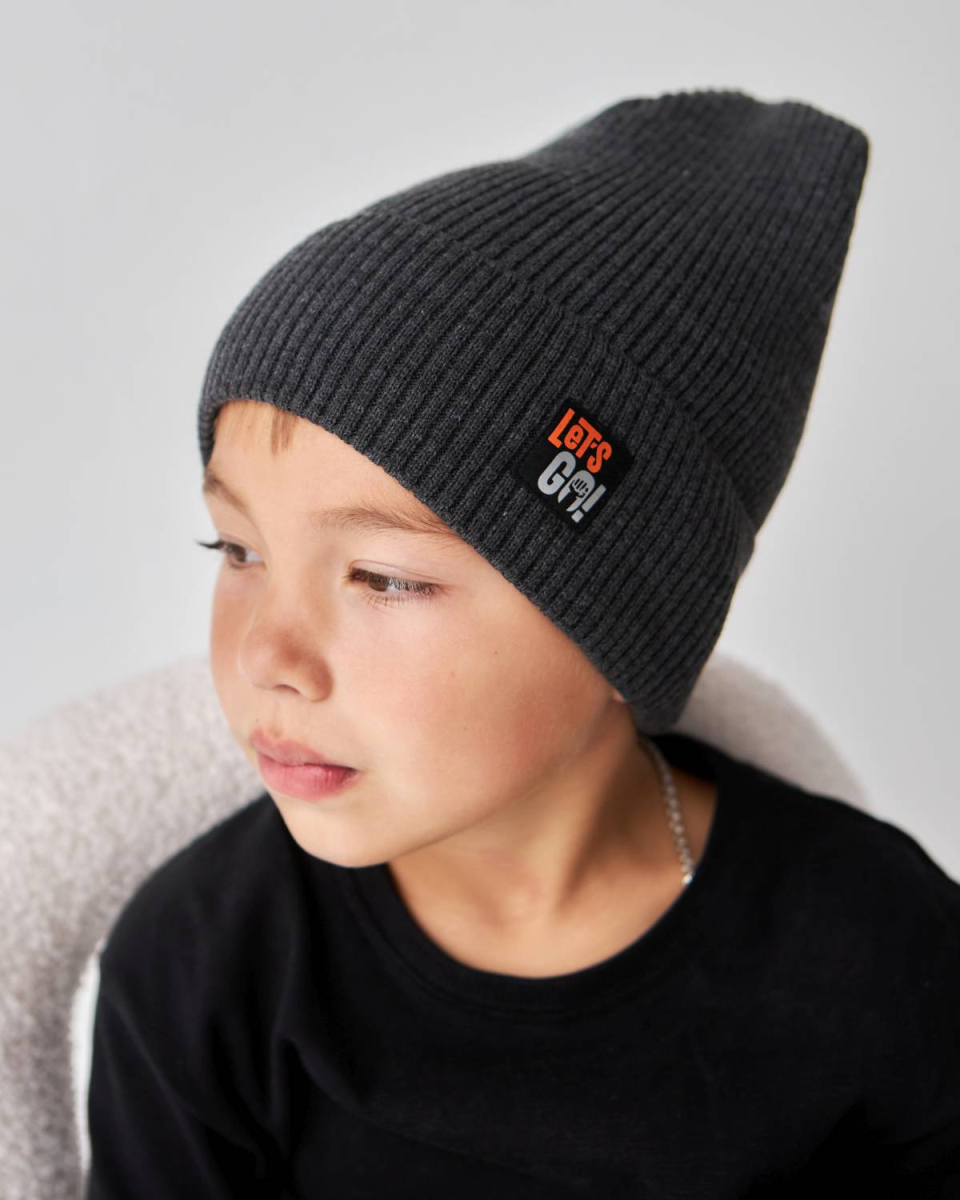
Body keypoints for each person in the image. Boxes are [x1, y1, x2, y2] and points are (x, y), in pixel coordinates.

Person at [84, 90, 960, 1197]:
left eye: (385, 577)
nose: (269, 655)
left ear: (622, 616)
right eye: (237, 548)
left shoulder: (881, 953)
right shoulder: (202, 969)